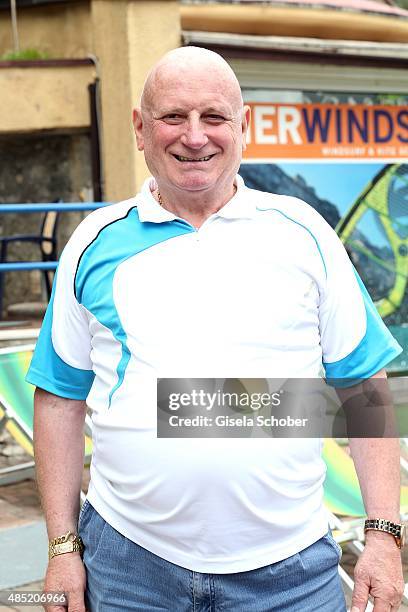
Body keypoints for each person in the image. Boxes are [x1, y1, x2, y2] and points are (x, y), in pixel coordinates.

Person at [27, 46, 405, 612]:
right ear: (139, 128)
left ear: (243, 126)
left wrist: (383, 535)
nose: (194, 136)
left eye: (214, 117)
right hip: (130, 569)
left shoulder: (304, 233)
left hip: (292, 574)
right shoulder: (92, 241)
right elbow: (59, 399)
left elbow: (365, 389)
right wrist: (61, 547)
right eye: (173, 117)